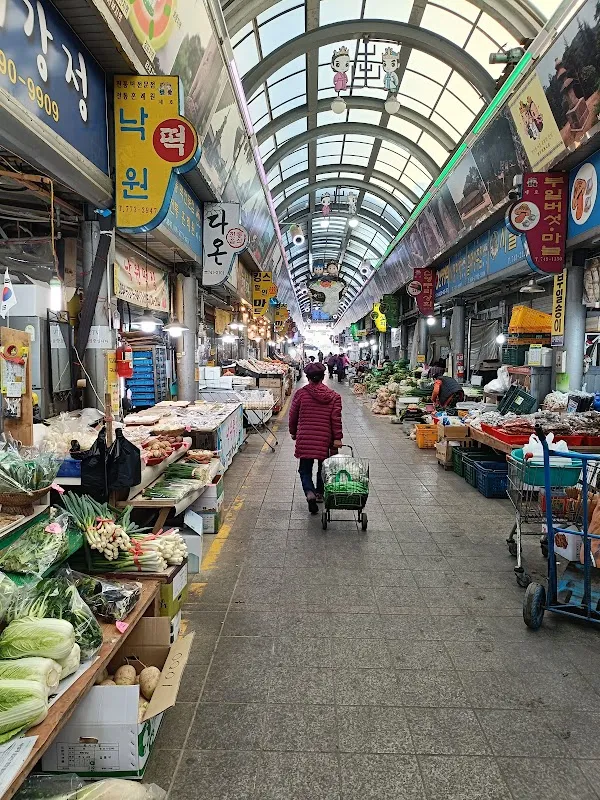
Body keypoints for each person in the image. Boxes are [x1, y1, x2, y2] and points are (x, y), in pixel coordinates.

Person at [289, 362, 343, 514]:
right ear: (323, 376)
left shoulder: (300, 394)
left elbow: (293, 416)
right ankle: (319, 493)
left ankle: (309, 493)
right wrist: (337, 438)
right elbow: (336, 419)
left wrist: (293, 432)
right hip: (325, 439)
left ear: (308, 377)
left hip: (305, 437)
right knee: (323, 467)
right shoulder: (334, 397)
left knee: (304, 469)